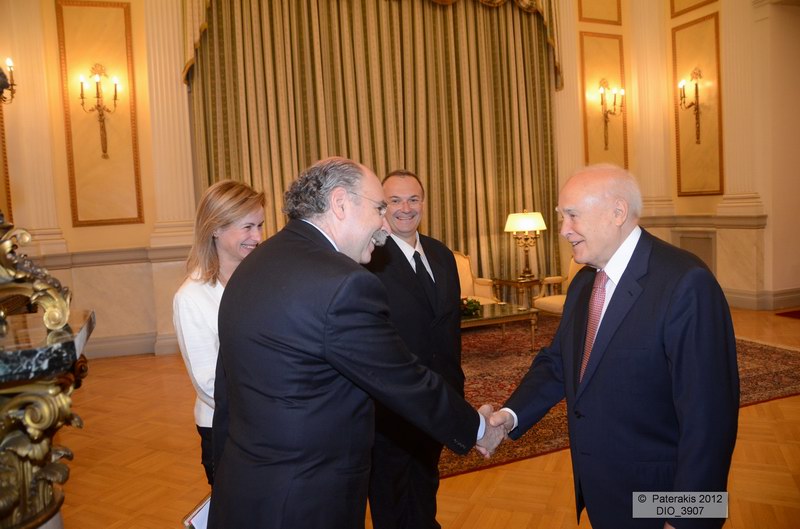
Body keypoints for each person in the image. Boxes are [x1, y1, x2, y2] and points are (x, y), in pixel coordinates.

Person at [208, 157, 504, 529]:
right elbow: (401, 378)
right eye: (379, 208)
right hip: (307, 496)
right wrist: (479, 428)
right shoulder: (342, 282)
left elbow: (228, 393)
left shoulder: (256, 263)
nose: (385, 224)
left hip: (248, 484)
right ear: (340, 203)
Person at [488, 164, 739, 529]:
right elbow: (559, 363)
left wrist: (688, 518)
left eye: (572, 215)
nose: (563, 230)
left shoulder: (686, 282)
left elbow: (710, 418)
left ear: (617, 212)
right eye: (561, 217)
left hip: (660, 497)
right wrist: (509, 416)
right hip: (602, 492)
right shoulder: (584, 283)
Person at [366, 170, 462, 529]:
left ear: (423, 202)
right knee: (390, 491)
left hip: (438, 397)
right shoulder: (369, 259)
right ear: (381, 207)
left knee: (426, 480)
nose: (405, 208)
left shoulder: (442, 254)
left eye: (413, 199)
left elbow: (449, 330)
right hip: (392, 404)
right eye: (395, 200)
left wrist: (454, 388)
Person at [172, 180, 265, 485]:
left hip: (271, 420)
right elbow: (209, 384)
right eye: (248, 227)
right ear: (215, 228)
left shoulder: (262, 280)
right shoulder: (190, 297)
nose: (258, 237)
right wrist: (272, 406)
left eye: (260, 226)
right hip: (226, 428)